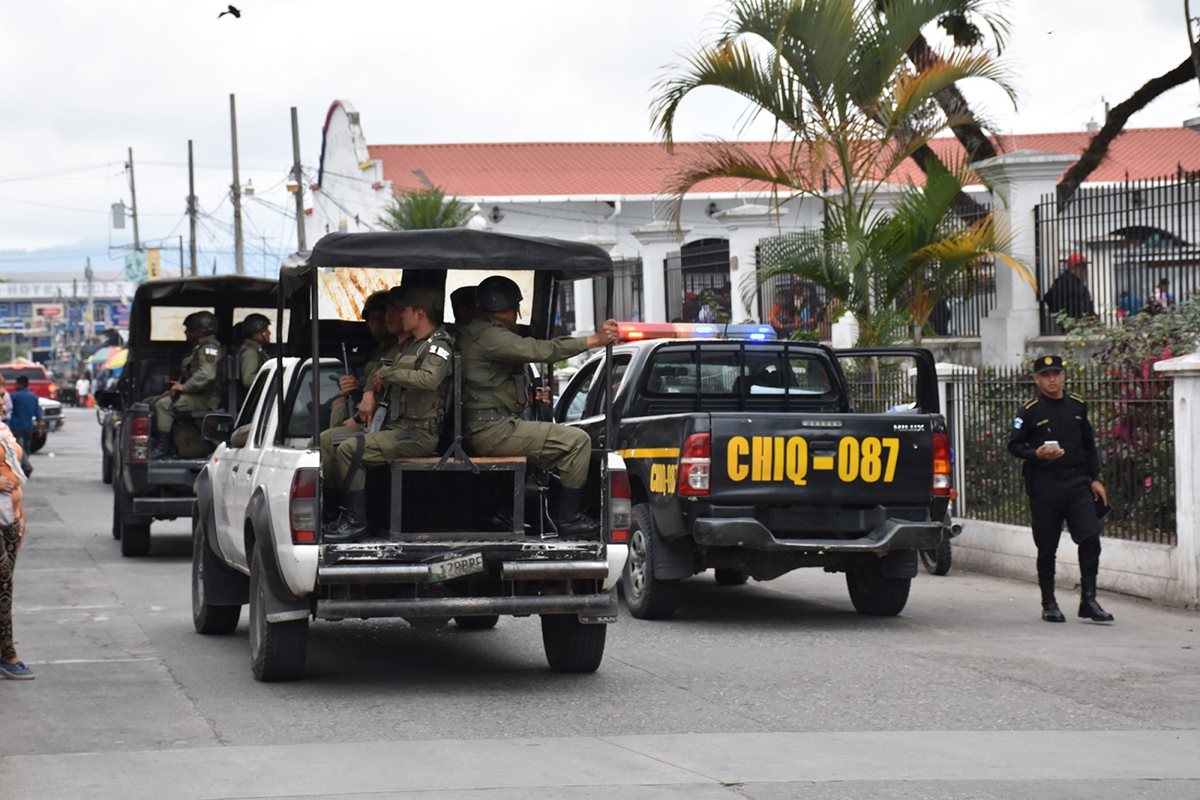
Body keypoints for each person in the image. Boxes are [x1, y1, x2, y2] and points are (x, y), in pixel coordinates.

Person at [458, 275, 620, 536]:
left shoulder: (474, 333)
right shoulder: (491, 336)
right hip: (493, 430)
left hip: (487, 426)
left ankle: (520, 512)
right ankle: (569, 518)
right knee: (577, 442)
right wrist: (594, 340)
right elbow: (541, 350)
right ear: (510, 308)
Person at [324, 286, 455, 542]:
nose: (393, 316)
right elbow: (382, 367)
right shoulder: (410, 346)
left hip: (418, 433)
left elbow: (429, 379)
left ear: (419, 313)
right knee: (331, 441)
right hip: (398, 428)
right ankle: (335, 512)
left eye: (402, 310)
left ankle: (356, 521)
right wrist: (370, 387)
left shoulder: (438, 344)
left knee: (350, 450)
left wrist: (387, 375)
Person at [1007, 354, 1113, 624]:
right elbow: (1014, 445)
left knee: (1090, 537)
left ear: (1063, 375)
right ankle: (1049, 603)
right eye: (1045, 375)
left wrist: (1095, 478)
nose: (1052, 379)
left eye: (1056, 373)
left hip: (1077, 483)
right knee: (1047, 546)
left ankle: (1088, 599)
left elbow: (1088, 446)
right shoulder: (1029, 411)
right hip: (1045, 485)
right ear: (1036, 379)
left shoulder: (1077, 406)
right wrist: (1036, 454)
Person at [148, 311, 225, 458]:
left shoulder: (209, 349)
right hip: (198, 395)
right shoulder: (200, 348)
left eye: (190, 329)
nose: (186, 332)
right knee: (151, 402)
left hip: (207, 399)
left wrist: (184, 387)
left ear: (199, 331)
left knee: (162, 405)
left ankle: (164, 448)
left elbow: (206, 374)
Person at [0, 421, 31, 679]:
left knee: (6, 583)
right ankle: (8, 655)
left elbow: (14, 471)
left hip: (9, 515)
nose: (1, 401)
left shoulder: (3, 430)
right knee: (3, 582)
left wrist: (22, 513)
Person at [1043, 252, 1095, 322]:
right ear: (1072, 268)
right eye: (1081, 267)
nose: (1084, 271)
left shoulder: (1078, 283)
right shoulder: (1063, 282)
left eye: (1084, 267)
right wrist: (1065, 318)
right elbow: (1050, 299)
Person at [8, 376, 42, 475]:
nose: (15, 385)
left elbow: (8, 408)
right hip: (28, 426)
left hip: (15, 426)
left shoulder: (14, 396)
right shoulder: (33, 397)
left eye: (16, 383)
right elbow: (38, 415)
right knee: (26, 447)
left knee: (17, 447)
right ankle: (24, 466)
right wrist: (40, 429)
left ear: (20, 384)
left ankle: (24, 466)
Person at [236, 313, 271, 390]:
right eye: (266, 330)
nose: (269, 333)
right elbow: (248, 380)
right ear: (256, 332)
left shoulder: (256, 349)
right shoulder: (250, 352)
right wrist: (272, 377)